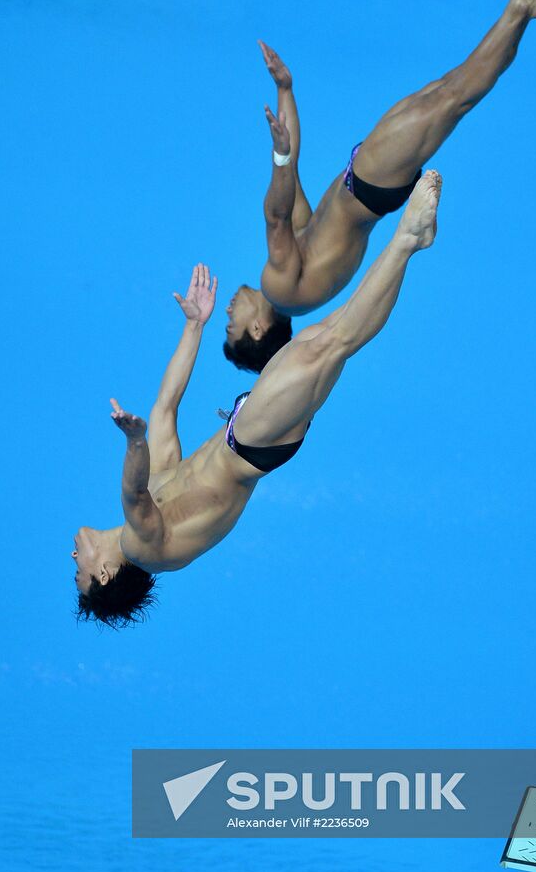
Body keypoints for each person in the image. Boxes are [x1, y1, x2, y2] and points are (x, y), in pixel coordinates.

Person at [73, 170, 442, 627]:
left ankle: (411, 243)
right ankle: (407, 238)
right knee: (335, 342)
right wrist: (133, 442)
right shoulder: (142, 549)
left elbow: (165, 409)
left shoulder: (154, 503)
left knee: (327, 333)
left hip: (249, 435)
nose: (75, 559)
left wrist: (194, 327)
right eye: (80, 574)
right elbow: (133, 496)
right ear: (105, 575)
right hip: (249, 444)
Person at [223, 0, 536, 373]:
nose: (228, 313)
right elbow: (274, 214)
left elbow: (290, 178)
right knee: (455, 95)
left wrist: (285, 89)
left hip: (369, 181)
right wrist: (278, 153)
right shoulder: (278, 287)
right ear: (257, 330)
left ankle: (525, 13)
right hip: (369, 181)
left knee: (451, 90)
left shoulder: (295, 278)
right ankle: (521, 6)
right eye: (231, 327)